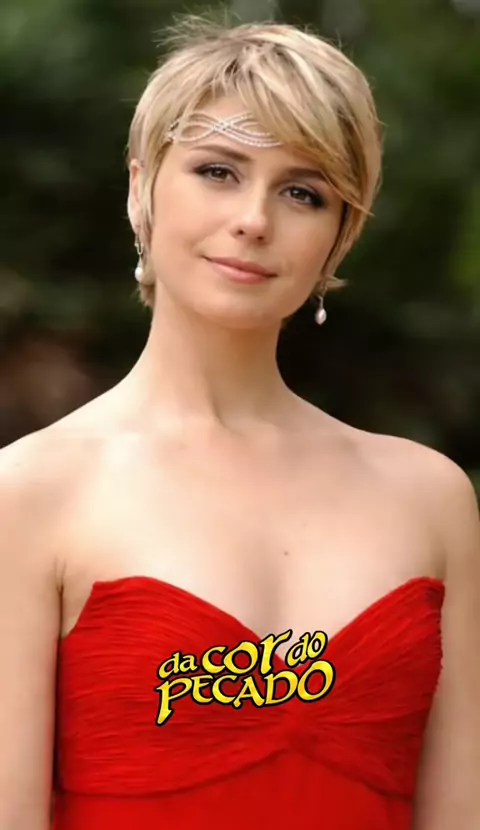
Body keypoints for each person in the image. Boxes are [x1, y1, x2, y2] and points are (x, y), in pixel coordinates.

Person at [0, 14, 478, 830]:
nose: (255, 219)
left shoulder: (430, 498)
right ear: (140, 187)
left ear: (340, 234)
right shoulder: (29, 493)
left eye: (303, 192)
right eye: (218, 171)